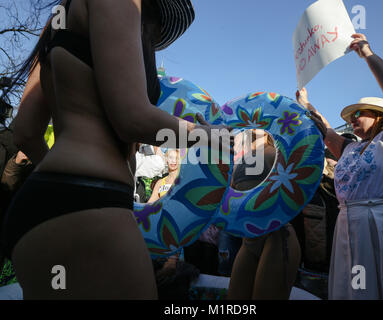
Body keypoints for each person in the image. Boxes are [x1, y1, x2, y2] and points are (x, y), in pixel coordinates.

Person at [0, 0, 232, 299]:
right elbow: (132, 118)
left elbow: (25, 132)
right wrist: (208, 135)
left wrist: (60, 185)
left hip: (36, 208)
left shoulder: (58, 20)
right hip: (93, 205)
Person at [296, 33, 383, 299]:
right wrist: (306, 105)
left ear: (379, 116)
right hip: (348, 229)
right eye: (350, 117)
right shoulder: (349, 149)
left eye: (358, 114)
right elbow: (325, 128)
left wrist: (367, 54)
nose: (352, 120)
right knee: (354, 291)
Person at [227, 130, 301, 300]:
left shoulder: (277, 152)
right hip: (249, 239)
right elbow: (232, 196)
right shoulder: (241, 156)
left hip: (277, 237)